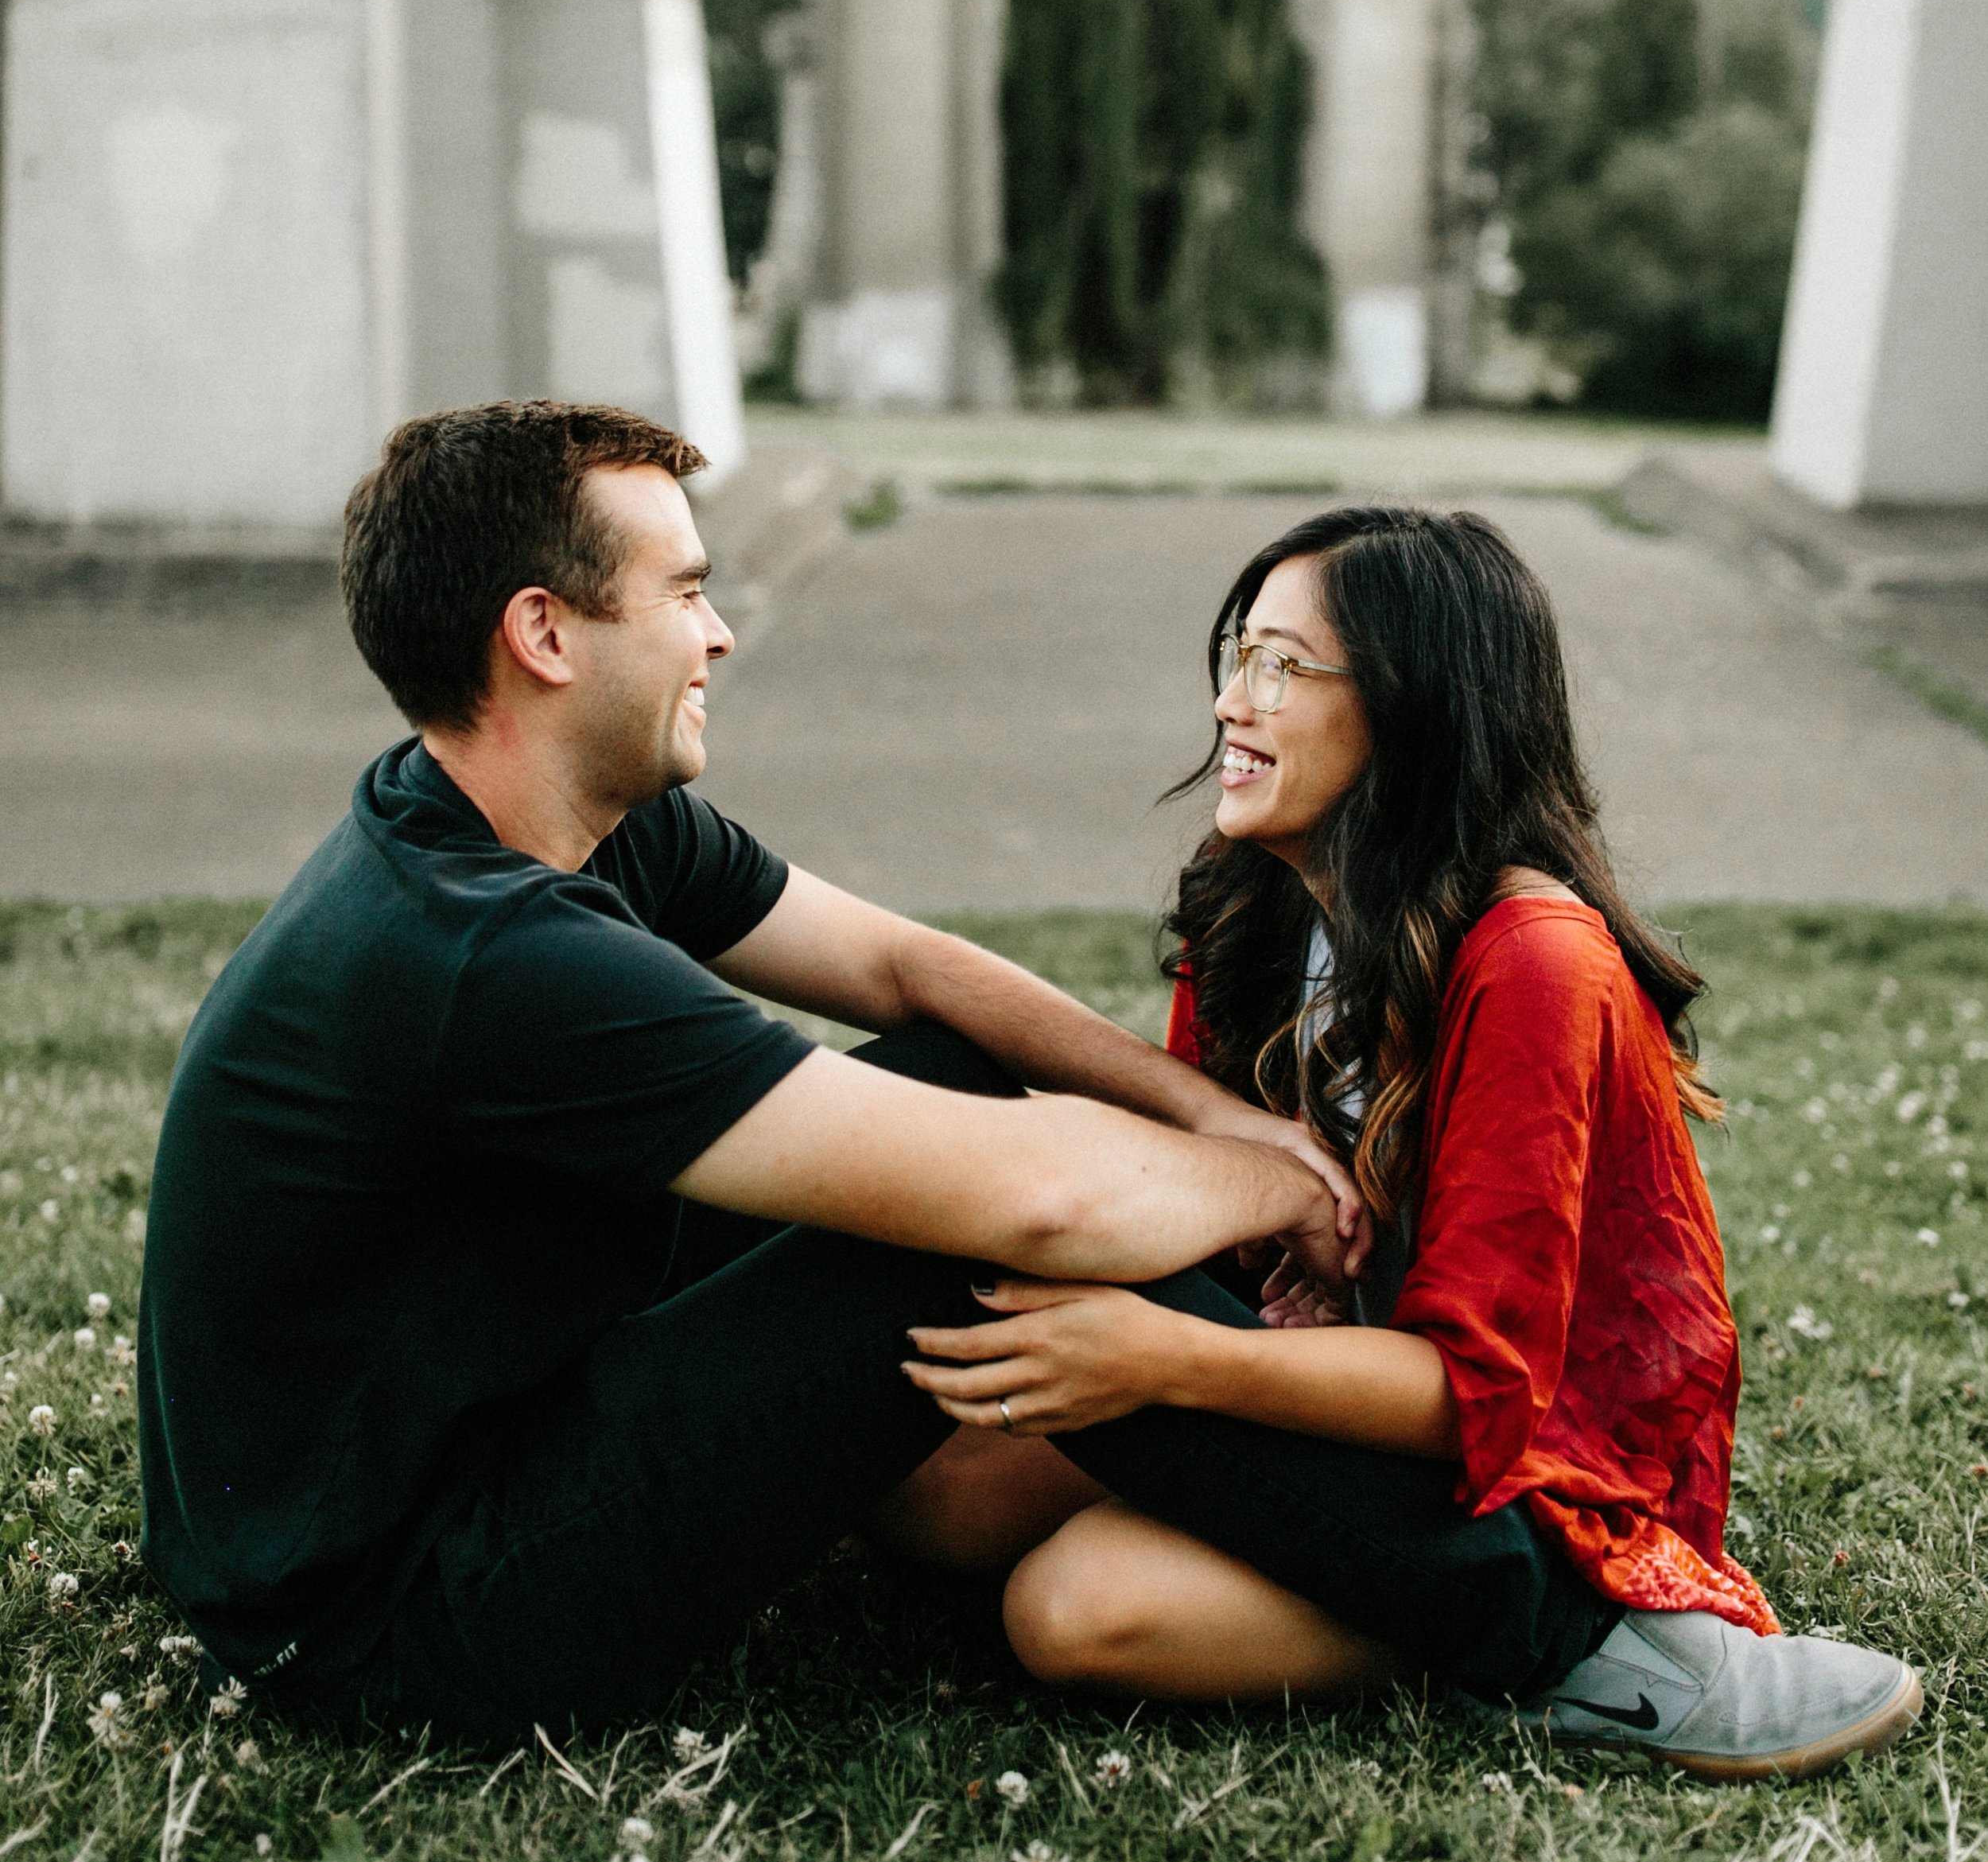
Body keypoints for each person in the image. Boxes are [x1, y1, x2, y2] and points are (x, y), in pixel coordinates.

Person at [141, 409, 1577, 1747]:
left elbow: (908, 972)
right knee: (950, 1235)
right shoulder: (482, 951)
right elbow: (1044, 1206)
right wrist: (1276, 1184)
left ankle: (1329, 1464)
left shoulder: (548, 816)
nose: (718, 631)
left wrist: (1204, 1108)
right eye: (683, 590)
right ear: (545, 635)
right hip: (392, 1619)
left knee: (960, 1071)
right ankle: (1529, 1605)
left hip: (489, 1419)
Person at [896, 506, 1922, 1782]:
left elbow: (1478, 1395)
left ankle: (1565, 1646)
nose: (1231, 703)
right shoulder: (1254, 907)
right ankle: (1303, 1542)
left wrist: (1163, 1356)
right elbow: (1218, 1217)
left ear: (1410, 707)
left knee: (1073, 1609)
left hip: (1519, 1478)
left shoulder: (1531, 959)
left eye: (1282, 666)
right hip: (1323, 1395)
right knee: (945, 1498)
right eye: (1238, 655)